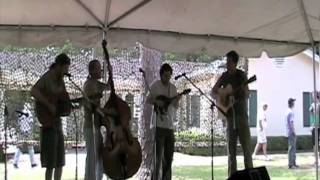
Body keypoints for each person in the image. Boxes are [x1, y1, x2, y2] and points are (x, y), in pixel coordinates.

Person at [211, 50, 253, 177]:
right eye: (226, 61)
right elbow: (213, 92)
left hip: (242, 117)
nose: (227, 64)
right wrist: (222, 97)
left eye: (229, 61)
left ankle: (250, 176)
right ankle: (232, 177)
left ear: (235, 63)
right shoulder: (224, 76)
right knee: (231, 153)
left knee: (247, 151)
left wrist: (238, 95)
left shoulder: (241, 75)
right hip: (229, 117)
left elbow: (247, 94)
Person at [31, 53, 71, 180]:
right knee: (50, 163)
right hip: (48, 124)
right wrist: (48, 105)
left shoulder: (61, 80)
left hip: (57, 123)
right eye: (65, 69)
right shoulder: (47, 77)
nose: (66, 72)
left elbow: (61, 99)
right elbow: (34, 91)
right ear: (58, 66)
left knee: (60, 161)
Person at [146, 63, 181, 180]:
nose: (167, 78)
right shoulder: (155, 85)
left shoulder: (173, 88)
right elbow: (148, 100)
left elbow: (176, 106)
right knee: (157, 158)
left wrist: (177, 100)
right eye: (165, 76)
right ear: (161, 75)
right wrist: (157, 102)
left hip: (169, 126)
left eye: (169, 76)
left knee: (169, 158)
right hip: (158, 125)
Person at [83, 59, 111, 180]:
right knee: (92, 157)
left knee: (99, 157)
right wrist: (106, 113)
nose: (101, 70)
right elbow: (93, 107)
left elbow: (109, 87)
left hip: (96, 125)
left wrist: (111, 73)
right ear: (92, 70)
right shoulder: (89, 84)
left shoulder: (97, 83)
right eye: (99, 68)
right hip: (90, 125)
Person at [13, 102, 37, 168]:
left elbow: (19, 124)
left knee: (20, 147)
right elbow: (31, 123)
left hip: (21, 131)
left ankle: (15, 162)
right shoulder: (28, 114)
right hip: (27, 131)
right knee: (30, 147)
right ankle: (33, 163)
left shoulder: (21, 114)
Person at [285, 98, 298, 169]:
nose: (294, 104)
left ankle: (293, 163)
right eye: (293, 102)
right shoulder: (291, 112)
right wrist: (294, 131)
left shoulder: (287, 111)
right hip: (291, 132)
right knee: (292, 148)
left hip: (288, 132)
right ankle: (291, 164)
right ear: (292, 104)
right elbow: (291, 122)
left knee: (292, 147)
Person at [309, 92, 320, 166]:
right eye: (312, 96)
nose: (313, 97)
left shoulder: (319, 105)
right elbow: (311, 115)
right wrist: (311, 125)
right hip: (314, 127)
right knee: (314, 144)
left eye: (314, 96)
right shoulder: (312, 105)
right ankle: (316, 160)